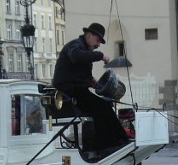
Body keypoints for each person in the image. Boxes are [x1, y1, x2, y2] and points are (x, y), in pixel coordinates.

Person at [52, 22, 129, 154]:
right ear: (88, 35)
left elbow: (81, 74)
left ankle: (121, 140)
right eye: (98, 40)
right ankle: (106, 146)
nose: (98, 44)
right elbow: (76, 57)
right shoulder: (75, 46)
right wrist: (100, 56)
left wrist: (93, 82)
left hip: (77, 90)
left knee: (105, 104)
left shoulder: (84, 49)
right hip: (68, 92)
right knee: (101, 108)